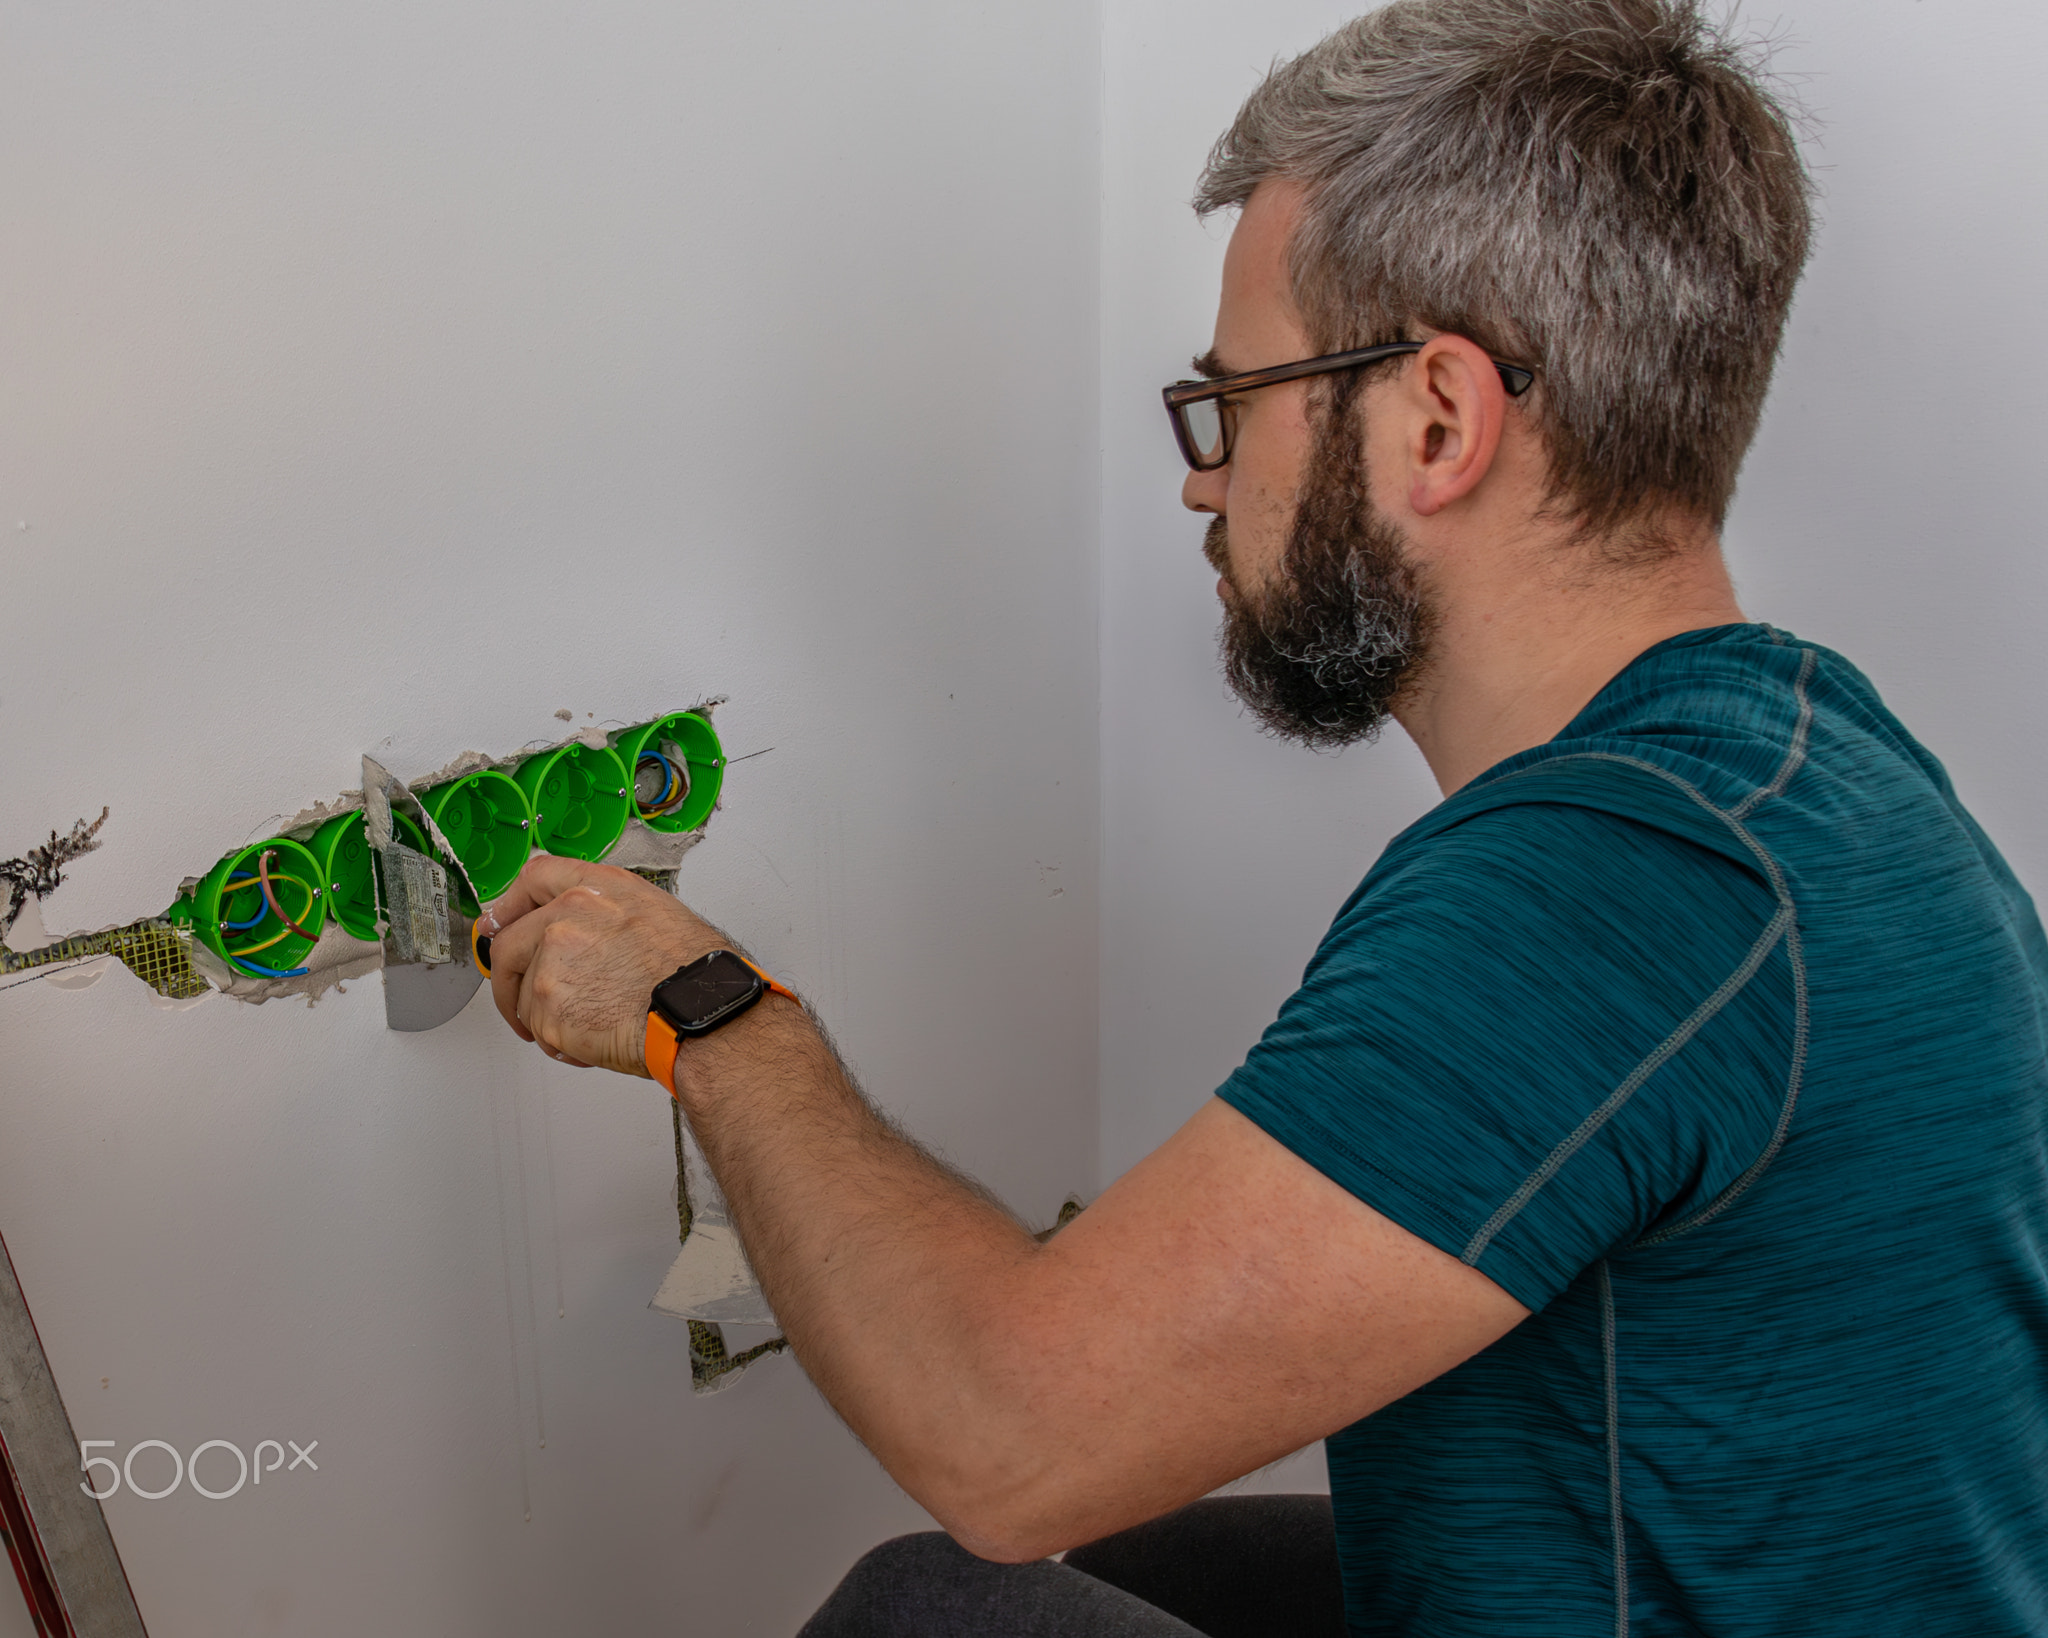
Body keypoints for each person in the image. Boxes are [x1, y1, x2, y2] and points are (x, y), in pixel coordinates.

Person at [479, 0, 2048, 1632]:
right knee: (1112, 1566)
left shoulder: (1608, 887)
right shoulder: (1811, 761)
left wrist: (713, 1013)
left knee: (938, 1606)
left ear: (1438, 420)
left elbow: (1008, 1433)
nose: (1202, 483)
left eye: (1235, 405)